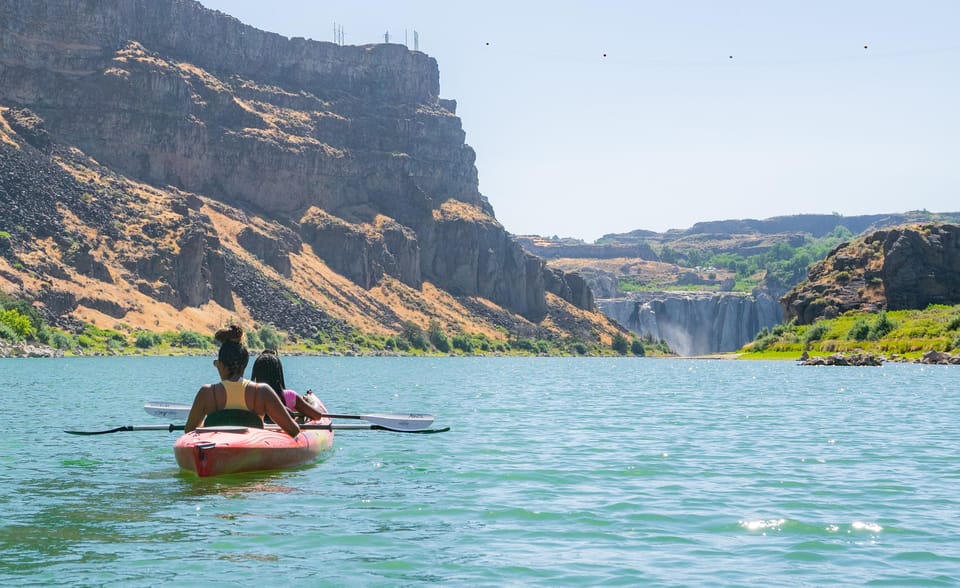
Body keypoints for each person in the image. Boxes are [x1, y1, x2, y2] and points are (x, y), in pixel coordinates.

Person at [184, 325, 301, 437]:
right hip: (253, 451)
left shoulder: (206, 392)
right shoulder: (262, 391)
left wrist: (207, 425)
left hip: (217, 450)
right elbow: (293, 430)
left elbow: (189, 431)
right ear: (245, 365)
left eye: (216, 364)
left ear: (221, 365)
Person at [251, 349, 330, 422]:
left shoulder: (249, 396)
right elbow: (317, 416)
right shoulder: (289, 395)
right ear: (278, 373)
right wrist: (310, 400)